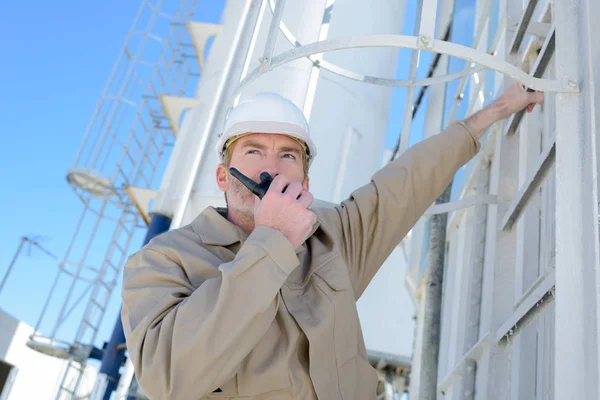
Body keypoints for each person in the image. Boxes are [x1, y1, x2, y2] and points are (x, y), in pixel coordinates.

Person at [120, 82, 543, 399]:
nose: (272, 169)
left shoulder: (333, 237)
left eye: (288, 155)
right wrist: (274, 240)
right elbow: (169, 377)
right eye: (253, 151)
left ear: (305, 180)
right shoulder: (161, 260)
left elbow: (403, 185)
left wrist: (491, 114)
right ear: (222, 176)